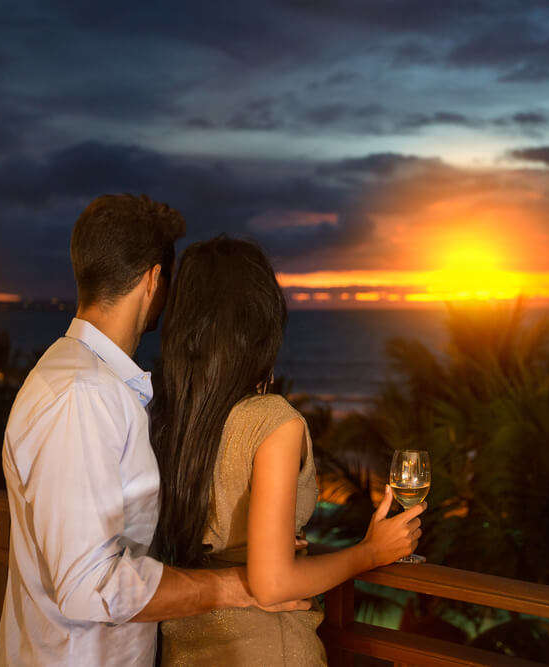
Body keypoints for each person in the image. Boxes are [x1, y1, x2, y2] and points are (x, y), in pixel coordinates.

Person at [0, 195, 308, 666]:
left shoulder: (80, 377)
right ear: (153, 279)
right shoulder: (85, 393)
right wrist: (238, 586)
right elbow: (89, 585)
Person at [152, 237, 425, 665]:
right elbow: (273, 583)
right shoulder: (271, 420)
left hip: (185, 642)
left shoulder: (166, 417)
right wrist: (369, 552)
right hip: (264, 647)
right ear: (261, 322)